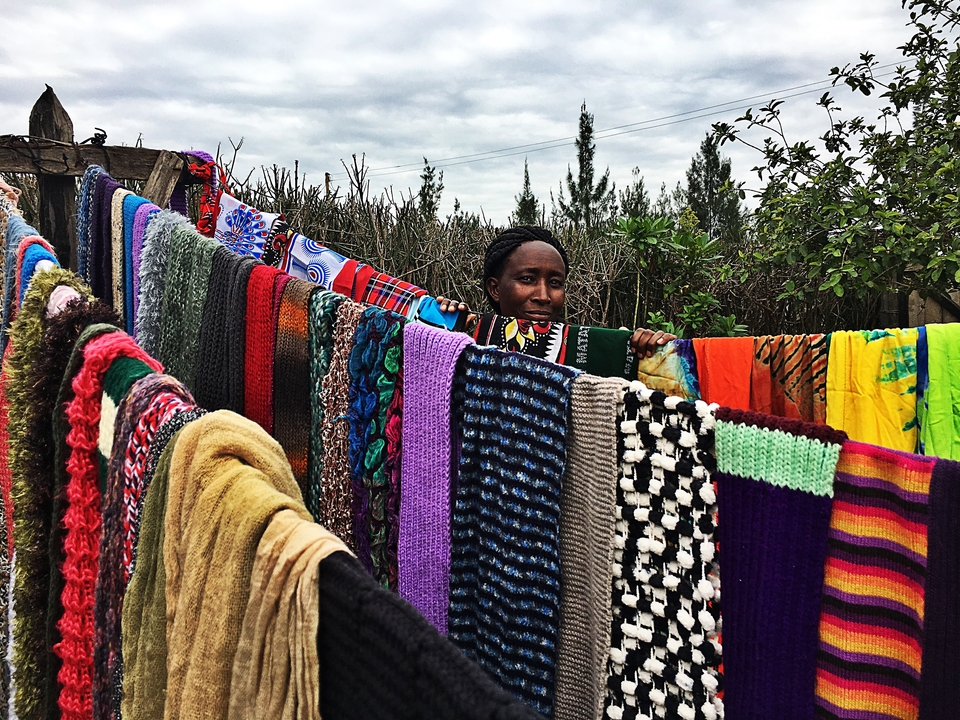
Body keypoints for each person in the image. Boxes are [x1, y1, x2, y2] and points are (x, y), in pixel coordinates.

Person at [438, 225, 675, 357]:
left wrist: (652, 354)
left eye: (555, 283)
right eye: (527, 279)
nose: (543, 295)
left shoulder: (586, 351)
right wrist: (435, 330)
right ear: (495, 288)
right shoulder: (464, 345)